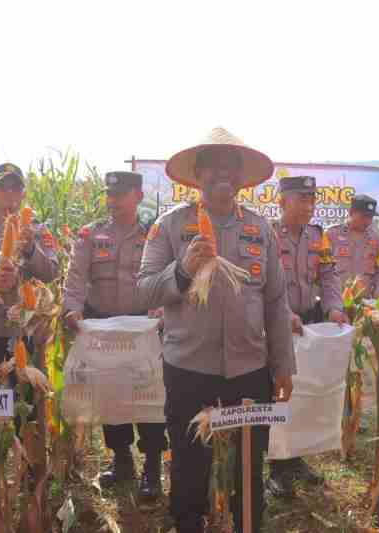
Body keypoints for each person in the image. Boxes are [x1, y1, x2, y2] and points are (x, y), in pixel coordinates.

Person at [137, 127, 295, 533]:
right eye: (213, 165)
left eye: (232, 165)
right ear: (198, 174)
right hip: (189, 368)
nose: (223, 173)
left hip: (249, 368)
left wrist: (283, 366)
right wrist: (183, 269)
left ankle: (246, 524)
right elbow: (144, 289)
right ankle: (189, 522)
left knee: (248, 461)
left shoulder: (261, 229)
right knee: (190, 461)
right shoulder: (169, 227)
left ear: (242, 177)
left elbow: (276, 300)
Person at [62, 171, 167, 499]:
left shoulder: (155, 234)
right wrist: (71, 308)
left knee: (148, 394)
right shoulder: (91, 235)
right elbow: (76, 276)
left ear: (137, 196)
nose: (112, 201)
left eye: (120, 195)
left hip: (143, 330)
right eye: (109, 194)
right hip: (104, 330)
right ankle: (121, 460)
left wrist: (163, 308)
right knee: (111, 394)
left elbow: (166, 276)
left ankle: (151, 464)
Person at [266, 175, 347, 498]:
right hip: (274, 324)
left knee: (301, 391)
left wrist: (334, 309)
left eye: (312, 200)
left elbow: (329, 276)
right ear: (282, 201)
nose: (308, 206)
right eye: (301, 199)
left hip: (306, 324)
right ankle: (276, 466)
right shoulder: (266, 235)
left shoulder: (318, 237)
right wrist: (283, 314)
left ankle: (295, 456)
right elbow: (260, 284)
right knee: (278, 394)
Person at [0, 163, 59, 383]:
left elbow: (52, 272)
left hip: (26, 328)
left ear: (23, 193)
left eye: (15, 188)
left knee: (26, 400)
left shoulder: (38, 230)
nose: (10, 193)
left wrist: (31, 248)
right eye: (2, 187)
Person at [327, 194, 379, 298]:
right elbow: (323, 270)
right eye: (364, 216)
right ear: (351, 212)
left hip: (366, 305)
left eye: (370, 217)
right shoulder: (331, 235)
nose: (368, 221)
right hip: (335, 302)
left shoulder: (377, 240)